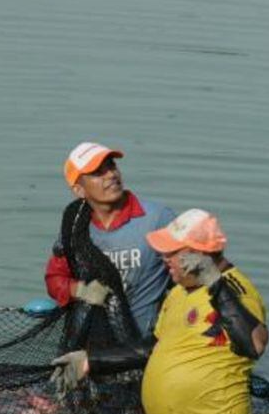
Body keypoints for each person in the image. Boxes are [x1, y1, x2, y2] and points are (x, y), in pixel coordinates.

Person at [52, 209, 269, 414]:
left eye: (172, 252)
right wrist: (91, 361)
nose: (163, 257)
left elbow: (254, 344)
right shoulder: (179, 292)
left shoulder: (236, 291)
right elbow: (155, 347)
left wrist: (213, 281)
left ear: (201, 255)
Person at [45, 142, 175, 335]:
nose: (111, 175)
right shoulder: (74, 227)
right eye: (98, 172)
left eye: (111, 166)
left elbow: (189, 275)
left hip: (143, 346)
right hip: (87, 343)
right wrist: (81, 291)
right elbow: (55, 279)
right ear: (79, 190)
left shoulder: (158, 219)